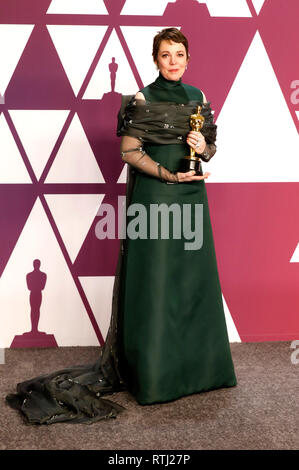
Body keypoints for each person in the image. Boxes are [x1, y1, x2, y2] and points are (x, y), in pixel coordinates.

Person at [6, 28, 237, 424]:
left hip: (192, 195)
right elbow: (129, 150)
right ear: (156, 59)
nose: (173, 61)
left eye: (179, 53)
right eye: (165, 54)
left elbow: (211, 143)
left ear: (188, 57)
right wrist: (166, 173)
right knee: (156, 279)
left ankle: (202, 370)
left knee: (191, 279)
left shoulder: (199, 98)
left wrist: (204, 148)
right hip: (155, 195)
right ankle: (154, 376)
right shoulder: (141, 99)